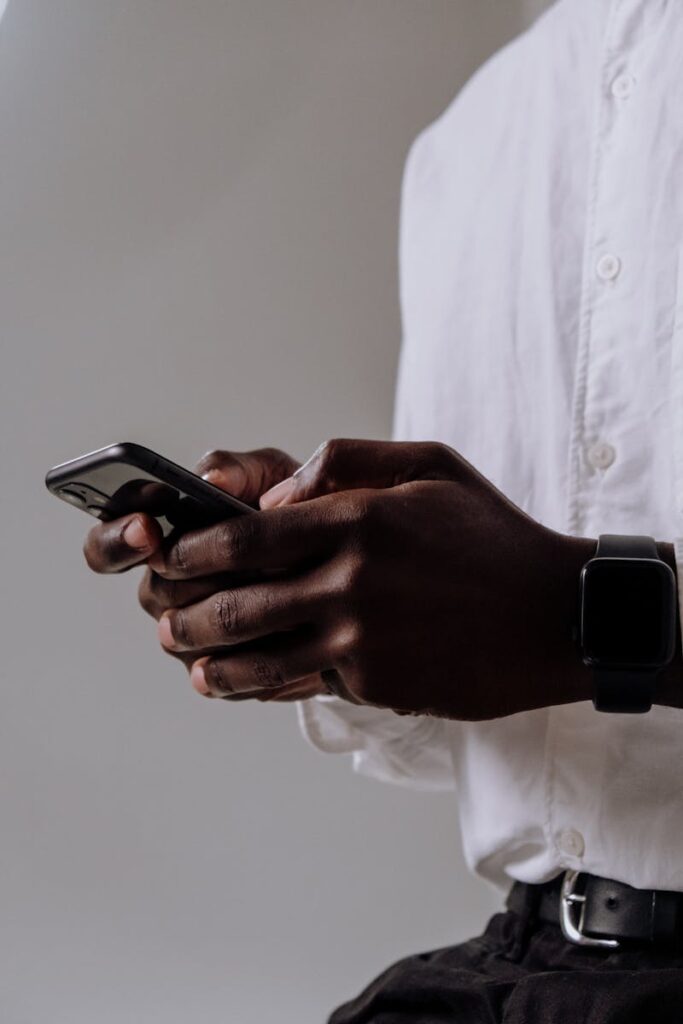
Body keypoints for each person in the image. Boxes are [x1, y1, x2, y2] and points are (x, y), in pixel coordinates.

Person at [82, 0, 683, 1019]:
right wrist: (323, 593)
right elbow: (509, 720)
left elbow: (540, 621)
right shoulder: (469, 138)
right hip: (520, 954)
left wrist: (582, 613)